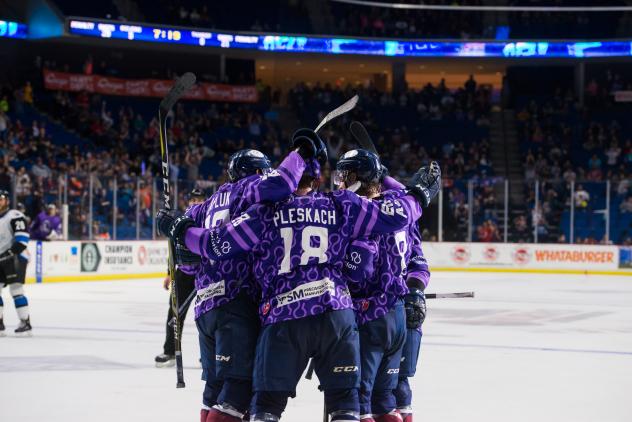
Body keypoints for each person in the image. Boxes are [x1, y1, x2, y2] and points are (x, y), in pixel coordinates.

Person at [157, 133, 440, 422]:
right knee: (348, 406)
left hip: (281, 318)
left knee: (262, 405)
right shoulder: (340, 205)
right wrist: (415, 192)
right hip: (337, 317)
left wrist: (180, 230)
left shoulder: (264, 213)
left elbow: (212, 245)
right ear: (317, 181)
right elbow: (398, 215)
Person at [176, 146, 310, 422]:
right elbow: (282, 184)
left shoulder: (204, 205)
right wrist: (301, 154)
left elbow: (187, 264)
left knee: (214, 388)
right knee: (239, 387)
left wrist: (175, 227)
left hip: (205, 307)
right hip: (236, 302)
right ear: (258, 171)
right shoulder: (248, 188)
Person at [338, 151, 435, 422]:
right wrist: (414, 290)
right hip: (399, 314)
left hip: (368, 316)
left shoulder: (358, 212)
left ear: (355, 178)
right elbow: (419, 262)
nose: (340, 183)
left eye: (344, 176)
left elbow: (357, 273)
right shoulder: (404, 209)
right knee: (392, 397)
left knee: (359, 400)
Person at [155, 188, 207, 367]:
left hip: (203, 274)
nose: (196, 202)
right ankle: (170, 351)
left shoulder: (209, 219)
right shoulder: (180, 221)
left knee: (206, 315)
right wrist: (170, 274)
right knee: (175, 313)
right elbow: (173, 248)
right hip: (183, 273)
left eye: (199, 199)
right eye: (193, 199)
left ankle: (208, 354)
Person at [0, 189, 32, 336]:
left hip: (16, 258)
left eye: (1, 199)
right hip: (1, 258)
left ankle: (25, 322)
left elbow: (22, 240)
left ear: (6, 201)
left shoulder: (15, 216)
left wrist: (10, 253)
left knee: (16, 290)